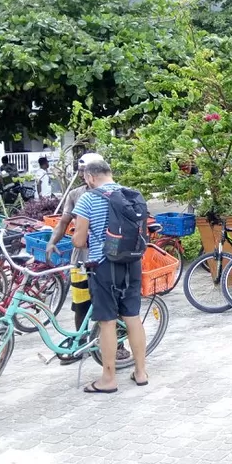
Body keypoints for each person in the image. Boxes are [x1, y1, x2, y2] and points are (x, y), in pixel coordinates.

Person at [71, 156, 147, 393]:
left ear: (91, 177)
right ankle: (141, 372)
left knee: (107, 322)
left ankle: (108, 379)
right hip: (133, 262)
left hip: (103, 266)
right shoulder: (132, 195)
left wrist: (75, 238)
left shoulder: (87, 199)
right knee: (133, 317)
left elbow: (80, 240)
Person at [47, 154, 131, 365]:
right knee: (80, 304)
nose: (83, 175)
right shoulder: (76, 195)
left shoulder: (115, 194)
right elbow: (64, 221)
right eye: (81, 171)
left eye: (86, 171)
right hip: (82, 260)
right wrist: (52, 241)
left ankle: (118, 346)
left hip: (107, 259)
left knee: (112, 306)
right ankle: (80, 344)